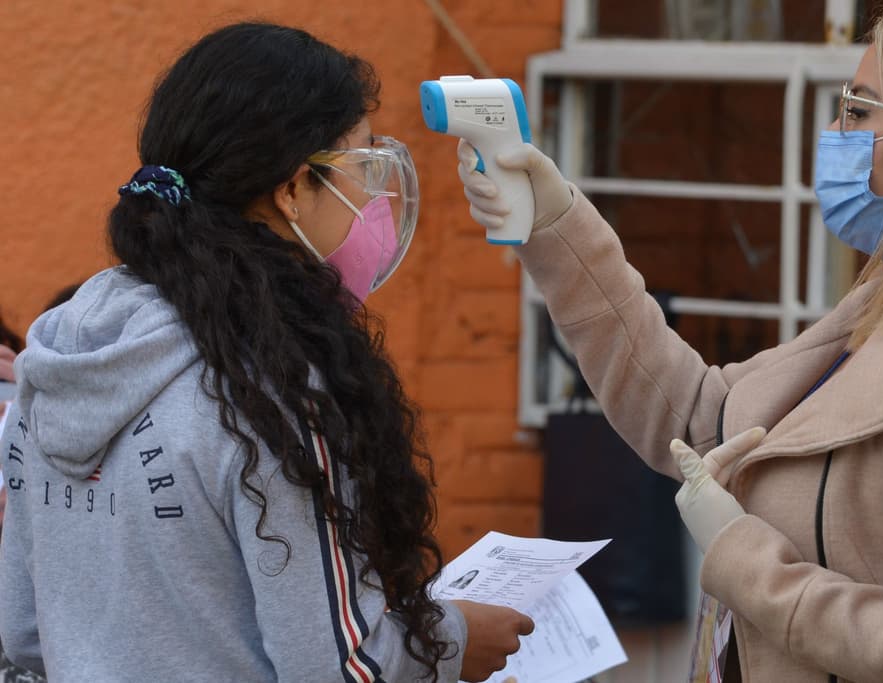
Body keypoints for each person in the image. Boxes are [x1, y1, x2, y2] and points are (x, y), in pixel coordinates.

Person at [455, 3, 883, 682]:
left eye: (857, 111)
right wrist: (554, 223)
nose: (832, 134)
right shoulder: (880, 303)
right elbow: (698, 415)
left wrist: (741, 554)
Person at [0, 22, 532, 683]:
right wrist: (455, 641)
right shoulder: (273, 389)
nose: (375, 197)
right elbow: (339, 667)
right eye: (364, 166)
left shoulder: (57, 361)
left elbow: (24, 632)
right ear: (291, 190)